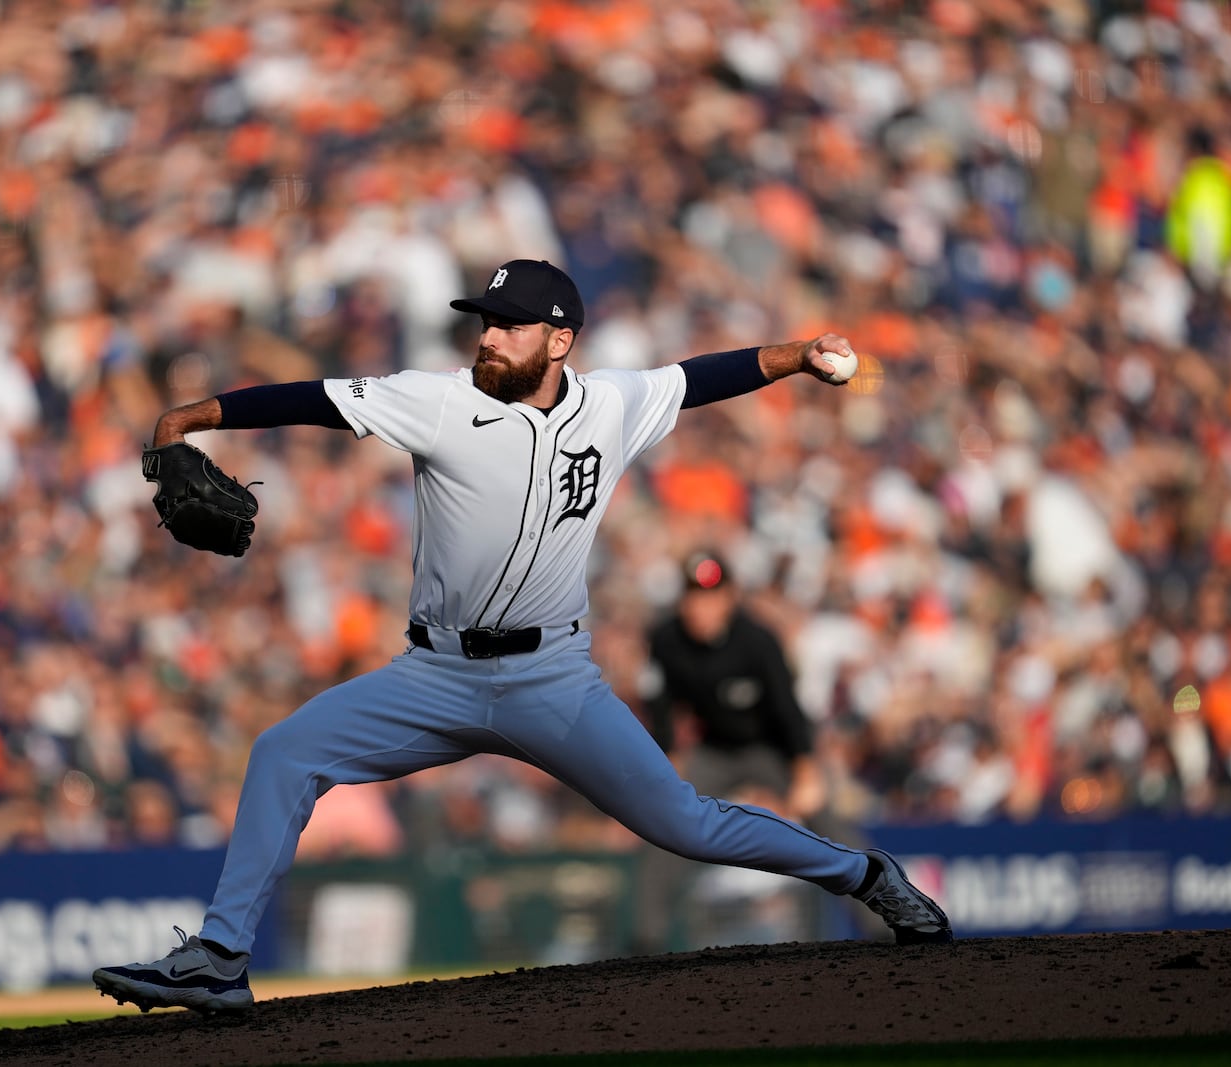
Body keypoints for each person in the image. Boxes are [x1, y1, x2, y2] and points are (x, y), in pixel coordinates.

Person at [92, 259, 951, 1014]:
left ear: (560, 339)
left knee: (684, 822)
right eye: (484, 322)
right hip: (433, 675)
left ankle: (864, 875)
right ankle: (221, 957)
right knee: (285, 752)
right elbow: (308, 401)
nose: (488, 337)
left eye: (507, 324)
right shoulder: (436, 401)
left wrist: (799, 355)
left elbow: (702, 376)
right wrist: (190, 417)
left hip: (554, 678)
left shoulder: (614, 403)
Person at [633, 550, 855, 952]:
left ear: (730, 597)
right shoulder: (666, 640)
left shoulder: (757, 640)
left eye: (711, 596)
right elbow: (661, 706)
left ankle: (884, 920)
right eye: (693, 596)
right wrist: (669, 760)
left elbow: (788, 709)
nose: (701, 607)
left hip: (771, 748)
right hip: (714, 749)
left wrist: (805, 769)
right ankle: (647, 941)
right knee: (663, 820)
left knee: (827, 819)